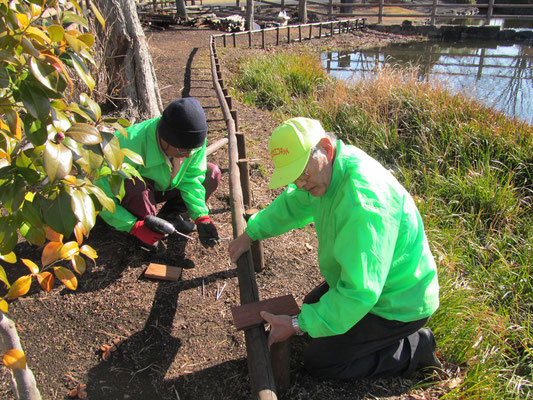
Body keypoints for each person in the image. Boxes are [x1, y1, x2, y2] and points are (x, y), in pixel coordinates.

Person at [228, 117, 441, 379]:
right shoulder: (328, 170)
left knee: (322, 361)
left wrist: (296, 324)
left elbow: (360, 293)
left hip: (397, 301)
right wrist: (251, 233)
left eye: (303, 175)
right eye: (294, 178)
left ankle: (415, 347)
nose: (301, 185)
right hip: (368, 281)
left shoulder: (363, 205)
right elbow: (292, 204)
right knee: (311, 307)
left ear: (326, 149)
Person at [96, 97, 221, 253]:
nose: (188, 156)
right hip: (137, 194)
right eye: (183, 151)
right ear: (164, 138)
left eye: (192, 150)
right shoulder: (126, 145)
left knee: (211, 174)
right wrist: (133, 226)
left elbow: (192, 178)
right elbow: (101, 197)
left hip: (166, 185)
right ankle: (145, 231)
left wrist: (201, 216)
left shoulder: (191, 143)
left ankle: (171, 216)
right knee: (135, 185)